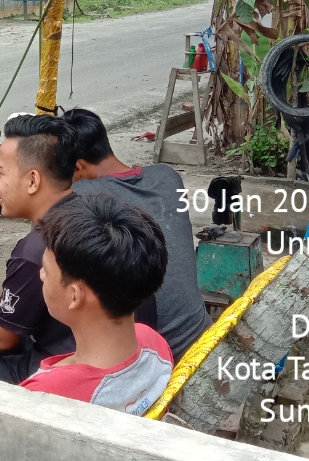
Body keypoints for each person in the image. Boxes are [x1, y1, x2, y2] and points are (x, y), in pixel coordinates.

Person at [0, 114, 154, 383]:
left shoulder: (38, 249)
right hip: (130, 353)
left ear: (33, 181)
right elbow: (26, 305)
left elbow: (2, 336)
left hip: (77, 368)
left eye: (0, 172)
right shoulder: (89, 214)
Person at [62, 108, 211, 360]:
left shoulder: (82, 198)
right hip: (200, 336)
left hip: (155, 358)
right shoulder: (167, 177)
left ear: (77, 166)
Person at [20, 193, 173, 414]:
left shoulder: (45, 394)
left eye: (46, 269)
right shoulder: (154, 345)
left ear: (75, 296)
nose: (41, 275)